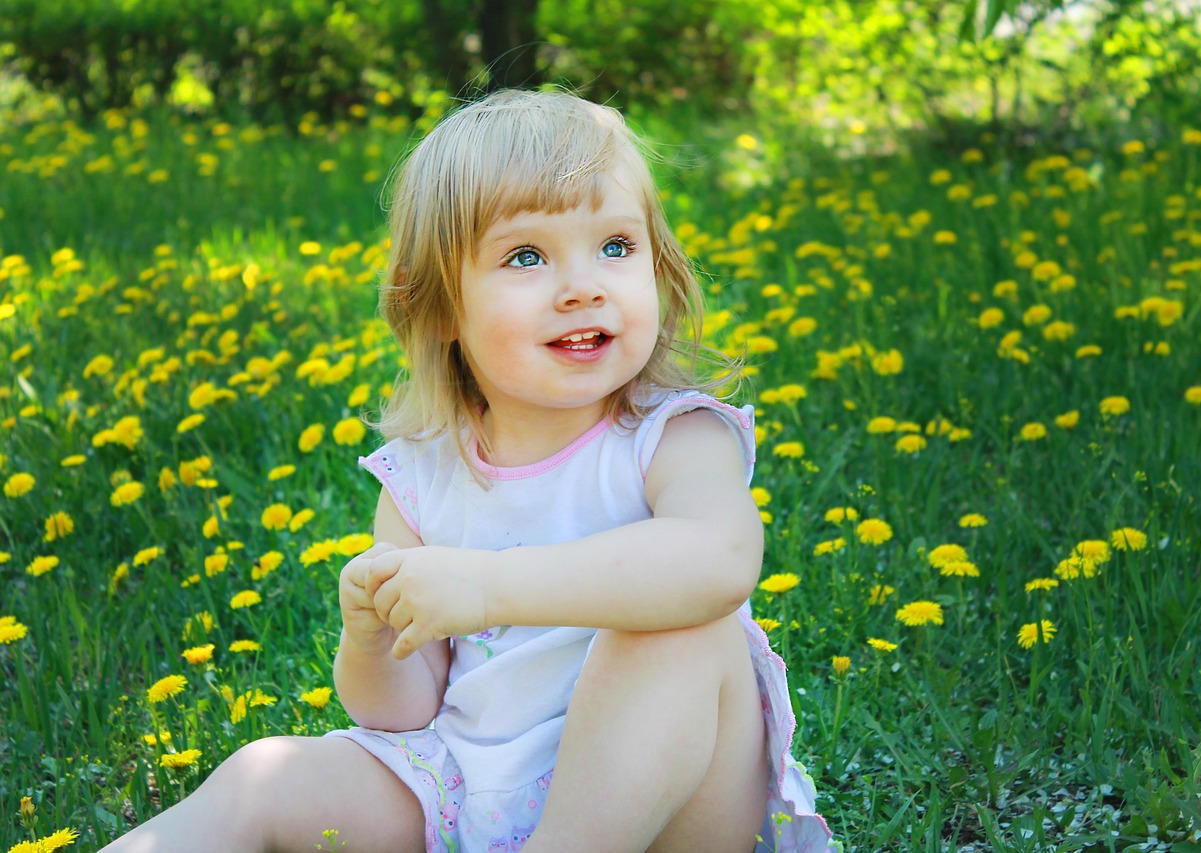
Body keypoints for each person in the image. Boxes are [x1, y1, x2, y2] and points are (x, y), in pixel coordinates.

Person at [102, 88, 835, 853]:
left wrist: (486, 588)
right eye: (526, 256)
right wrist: (374, 641)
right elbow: (403, 710)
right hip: (466, 790)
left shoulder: (671, 437)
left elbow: (720, 562)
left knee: (674, 624)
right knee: (265, 776)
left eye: (616, 246)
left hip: (665, 815)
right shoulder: (424, 476)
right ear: (442, 308)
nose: (584, 284)